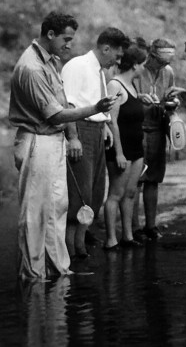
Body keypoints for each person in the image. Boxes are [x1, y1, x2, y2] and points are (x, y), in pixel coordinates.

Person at [8, 11, 117, 278]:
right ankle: (34, 276)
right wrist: (94, 108)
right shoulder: (31, 67)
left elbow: (63, 103)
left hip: (52, 141)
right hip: (37, 142)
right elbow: (55, 114)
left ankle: (58, 270)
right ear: (50, 34)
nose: (69, 44)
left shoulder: (50, 62)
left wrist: (71, 135)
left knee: (57, 208)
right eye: (66, 39)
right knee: (35, 213)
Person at [61, 27, 130, 259]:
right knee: (79, 195)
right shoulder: (77, 66)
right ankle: (69, 252)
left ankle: (80, 248)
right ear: (105, 48)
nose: (118, 61)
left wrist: (106, 127)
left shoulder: (99, 71)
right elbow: (68, 105)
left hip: (97, 132)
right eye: (117, 56)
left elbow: (97, 105)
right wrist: (73, 137)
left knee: (95, 194)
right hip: (80, 130)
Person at [131, 38, 180, 241]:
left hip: (158, 128)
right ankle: (133, 227)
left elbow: (172, 96)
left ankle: (151, 225)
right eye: (161, 61)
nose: (164, 65)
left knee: (154, 179)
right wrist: (139, 97)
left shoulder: (168, 73)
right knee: (136, 181)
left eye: (167, 62)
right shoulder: (137, 71)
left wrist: (173, 102)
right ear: (152, 55)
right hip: (137, 128)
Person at [102, 45, 149, 250]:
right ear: (135, 65)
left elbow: (131, 113)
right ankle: (111, 239)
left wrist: (143, 100)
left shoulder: (132, 85)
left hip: (136, 147)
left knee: (130, 192)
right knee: (115, 193)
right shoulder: (115, 85)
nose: (144, 69)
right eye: (143, 65)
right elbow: (112, 122)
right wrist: (119, 153)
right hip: (120, 148)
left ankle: (128, 236)